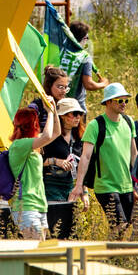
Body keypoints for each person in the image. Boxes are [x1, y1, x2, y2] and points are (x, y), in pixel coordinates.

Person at [70, 83, 138, 230]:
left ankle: (111, 253)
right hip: (106, 186)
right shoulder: (96, 125)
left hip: (127, 185)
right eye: (120, 100)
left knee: (124, 228)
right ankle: (109, 253)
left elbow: (134, 154)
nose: (124, 104)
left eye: (126, 100)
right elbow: (86, 156)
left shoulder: (128, 122)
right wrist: (79, 185)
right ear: (108, 102)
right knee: (119, 225)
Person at [8, 105, 60, 238]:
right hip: (26, 207)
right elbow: (47, 136)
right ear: (33, 125)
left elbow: (56, 133)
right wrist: (49, 113)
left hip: (39, 205)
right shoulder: (20, 145)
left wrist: (53, 111)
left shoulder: (30, 144)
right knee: (35, 253)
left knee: (40, 254)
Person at [41, 98, 85, 237]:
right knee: (55, 226)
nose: (78, 117)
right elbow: (35, 160)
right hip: (51, 185)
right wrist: (55, 161)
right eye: (73, 113)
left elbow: (81, 167)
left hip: (70, 187)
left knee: (71, 229)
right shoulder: (50, 136)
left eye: (79, 113)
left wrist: (84, 192)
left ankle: (70, 257)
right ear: (62, 116)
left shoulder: (79, 139)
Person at [60, 20, 108, 110]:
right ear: (83, 39)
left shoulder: (61, 51)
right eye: (87, 38)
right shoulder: (84, 57)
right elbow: (88, 84)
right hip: (76, 106)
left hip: (58, 102)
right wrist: (103, 84)